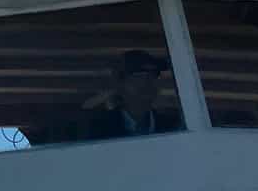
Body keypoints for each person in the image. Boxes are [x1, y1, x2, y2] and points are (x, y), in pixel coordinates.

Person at [23, 49, 180, 145]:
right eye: (139, 76)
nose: (148, 83)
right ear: (120, 84)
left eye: (153, 76)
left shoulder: (175, 127)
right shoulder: (95, 130)